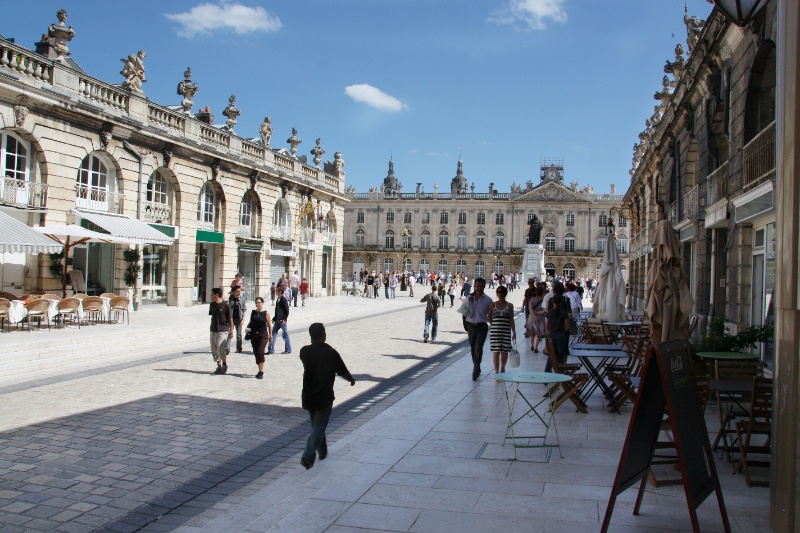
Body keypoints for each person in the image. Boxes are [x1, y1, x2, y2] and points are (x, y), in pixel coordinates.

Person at [299, 322, 355, 469]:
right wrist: (351, 379)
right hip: (324, 397)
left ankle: (322, 452)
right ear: (323, 334)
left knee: (317, 425)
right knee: (319, 426)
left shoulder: (304, 351)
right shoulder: (331, 353)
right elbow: (343, 371)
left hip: (309, 396)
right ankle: (308, 455)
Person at [465, 277, 492, 380]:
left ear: (484, 286)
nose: (479, 288)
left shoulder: (488, 300)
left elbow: (491, 315)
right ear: (475, 286)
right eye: (477, 286)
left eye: (481, 286)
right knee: (472, 348)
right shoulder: (469, 298)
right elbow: (464, 313)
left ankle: (475, 370)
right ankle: (477, 366)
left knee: (478, 348)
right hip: (471, 325)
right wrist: (466, 325)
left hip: (482, 326)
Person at [488, 285, 516, 376]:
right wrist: (493, 325)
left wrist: (514, 332)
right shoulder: (493, 305)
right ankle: (496, 372)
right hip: (495, 332)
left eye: (502, 292)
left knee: (504, 351)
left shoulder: (510, 305)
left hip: (506, 331)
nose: (500, 294)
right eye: (498, 292)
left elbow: (511, 318)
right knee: (496, 352)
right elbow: (489, 316)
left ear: (505, 293)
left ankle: (502, 367)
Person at [245, 297, 272, 379]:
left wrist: (271, 336)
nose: (257, 304)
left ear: (262, 303)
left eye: (259, 302)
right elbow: (251, 322)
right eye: (256, 302)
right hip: (254, 335)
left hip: (263, 335)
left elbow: (269, 325)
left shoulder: (266, 313)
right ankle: (259, 368)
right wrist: (248, 329)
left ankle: (261, 372)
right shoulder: (253, 312)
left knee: (260, 352)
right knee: (256, 353)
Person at [208, 288, 233, 374]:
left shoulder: (226, 305)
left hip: (223, 330)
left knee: (220, 347)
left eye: (212, 294)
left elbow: (230, 319)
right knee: (214, 348)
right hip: (213, 329)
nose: (211, 296)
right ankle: (219, 366)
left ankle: (224, 364)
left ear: (217, 295)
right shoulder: (212, 305)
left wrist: (231, 331)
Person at [545, 292, 570, 372]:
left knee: (552, 355)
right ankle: (560, 371)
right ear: (561, 302)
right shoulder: (564, 313)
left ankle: (547, 370)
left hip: (552, 336)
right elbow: (566, 328)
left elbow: (547, 326)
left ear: (553, 302)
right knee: (560, 355)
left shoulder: (549, 312)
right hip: (561, 336)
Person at [268, 286, 291, 354]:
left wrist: (284, 319)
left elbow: (287, 310)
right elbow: (277, 311)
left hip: (282, 321)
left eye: (277, 291)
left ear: (280, 292)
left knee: (285, 335)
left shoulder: (283, 299)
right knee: (273, 334)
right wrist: (274, 318)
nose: (276, 292)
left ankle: (288, 349)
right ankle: (271, 349)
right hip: (277, 320)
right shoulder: (278, 299)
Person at [526, 285, 546, 352]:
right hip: (540, 317)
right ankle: (535, 347)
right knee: (539, 333)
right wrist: (538, 313)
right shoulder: (544, 300)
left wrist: (534, 315)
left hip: (532, 317)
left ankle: (531, 345)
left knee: (532, 332)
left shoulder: (532, 299)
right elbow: (544, 310)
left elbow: (530, 309)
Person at [228, 285, 247, 353]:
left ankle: (239, 348)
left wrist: (243, 319)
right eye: (237, 291)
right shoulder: (230, 299)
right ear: (234, 292)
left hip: (239, 319)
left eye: (240, 291)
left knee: (239, 335)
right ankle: (227, 348)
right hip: (231, 319)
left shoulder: (242, 299)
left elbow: (244, 310)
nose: (239, 292)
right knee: (230, 332)